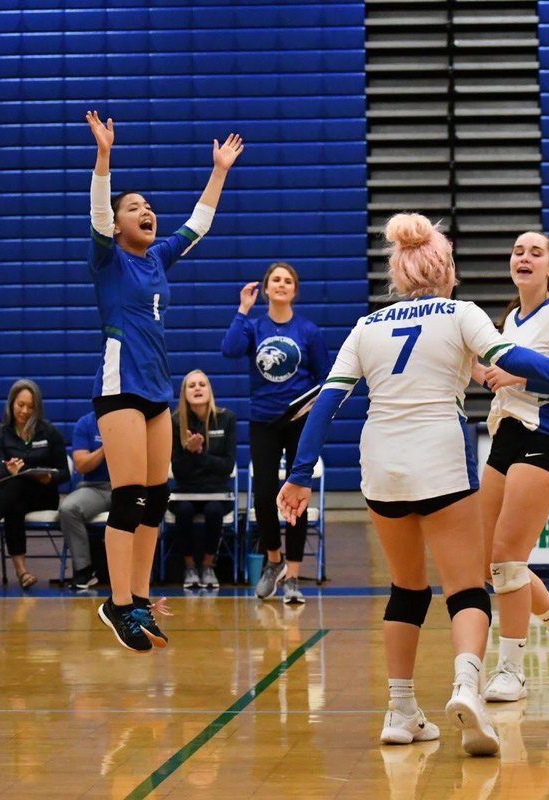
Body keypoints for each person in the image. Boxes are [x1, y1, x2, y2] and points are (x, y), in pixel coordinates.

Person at [276, 212, 549, 756]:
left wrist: (299, 476)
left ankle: (401, 711)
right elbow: (513, 361)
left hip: (380, 466)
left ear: (398, 274)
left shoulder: (366, 325)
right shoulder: (463, 313)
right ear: (445, 271)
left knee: (407, 588)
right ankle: (467, 685)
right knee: (468, 585)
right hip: (439, 458)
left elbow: (326, 405)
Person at [85, 110, 242, 650]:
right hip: (120, 387)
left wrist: (219, 170)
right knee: (128, 496)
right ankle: (117, 602)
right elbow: (98, 207)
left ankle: (142, 599)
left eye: (148, 207)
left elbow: (198, 224)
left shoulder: (156, 258)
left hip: (155, 390)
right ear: (116, 222)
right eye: (135, 208)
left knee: (157, 496)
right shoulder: (107, 259)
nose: (146, 211)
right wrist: (104, 157)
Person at [469, 231, 549, 701]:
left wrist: (519, 374)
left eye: (535, 252)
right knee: (491, 562)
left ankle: (512, 671)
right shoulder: (507, 321)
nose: (524, 258)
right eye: (518, 251)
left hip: (543, 439)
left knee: (506, 558)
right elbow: (498, 377)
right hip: (503, 438)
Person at [220, 261, 329, 604]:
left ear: (294, 290)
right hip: (263, 422)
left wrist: (312, 408)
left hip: (299, 423)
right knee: (265, 494)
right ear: (267, 289)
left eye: (287, 281)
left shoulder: (308, 331)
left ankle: (293, 577)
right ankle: (273, 559)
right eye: (275, 280)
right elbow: (229, 349)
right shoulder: (254, 327)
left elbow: (326, 379)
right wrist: (242, 308)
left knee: (295, 497)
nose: (281, 285)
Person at [0, 380, 69, 589]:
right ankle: (23, 572)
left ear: (38, 408)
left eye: (31, 406)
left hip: (45, 496)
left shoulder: (49, 432)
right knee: (14, 501)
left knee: (16, 489)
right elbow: (0, 476)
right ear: (11, 404)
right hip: (15, 497)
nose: (25, 411)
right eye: (20, 405)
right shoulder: (0, 435)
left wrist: (48, 478)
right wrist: (11, 472)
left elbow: (65, 473)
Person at [170, 369, 236, 590]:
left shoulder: (226, 418)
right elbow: (178, 471)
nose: (197, 388)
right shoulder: (175, 421)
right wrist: (188, 451)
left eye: (202, 384)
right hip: (184, 491)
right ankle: (189, 566)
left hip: (217, 491)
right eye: (191, 385)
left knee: (214, 510)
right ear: (184, 393)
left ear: (209, 390)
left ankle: (208, 565)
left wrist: (200, 454)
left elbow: (227, 467)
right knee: (185, 510)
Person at [59, 410, 108, 591]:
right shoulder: (86, 423)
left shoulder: (132, 420)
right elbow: (80, 465)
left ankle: (143, 573)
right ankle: (84, 570)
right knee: (68, 508)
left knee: (145, 505)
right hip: (96, 487)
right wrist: (106, 447)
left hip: (127, 486)